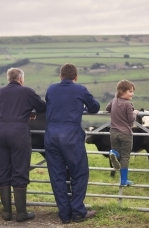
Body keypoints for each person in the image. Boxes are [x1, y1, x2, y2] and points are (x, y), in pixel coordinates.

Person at [44, 63, 100, 224]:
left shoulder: (51, 89)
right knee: (80, 173)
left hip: (51, 136)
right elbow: (95, 107)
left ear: (61, 76)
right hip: (71, 136)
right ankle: (77, 211)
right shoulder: (80, 89)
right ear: (76, 77)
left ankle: (64, 214)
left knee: (57, 175)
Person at [0, 67, 46, 222]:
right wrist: (29, 111)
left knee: (2, 170)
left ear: (9, 79)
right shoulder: (27, 91)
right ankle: (21, 213)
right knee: (19, 169)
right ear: (21, 79)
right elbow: (42, 107)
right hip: (19, 133)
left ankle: (7, 213)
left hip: (0, 132)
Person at [105, 80, 139, 186]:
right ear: (122, 91)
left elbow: (107, 108)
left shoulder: (114, 100)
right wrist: (135, 112)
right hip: (125, 134)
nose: (132, 94)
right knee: (125, 157)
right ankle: (124, 180)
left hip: (114, 133)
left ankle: (113, 153)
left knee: (117, 152)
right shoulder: (128, 105)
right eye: (130, 91)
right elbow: (131, 119)